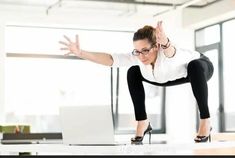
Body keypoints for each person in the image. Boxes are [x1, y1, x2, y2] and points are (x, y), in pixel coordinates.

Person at [59, 21, 214, 144]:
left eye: (145, 50)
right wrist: (81, 53)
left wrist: (166, 42)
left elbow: (170, 52)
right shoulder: (138, 56)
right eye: (137, 51)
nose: (141, 56)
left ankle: (205, 121)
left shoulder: (167, 52)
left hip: (199, 69)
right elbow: (110, 59)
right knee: (132, 71)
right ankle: (143, 122)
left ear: (156, 46)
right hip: (165, 78)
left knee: (195, 66)